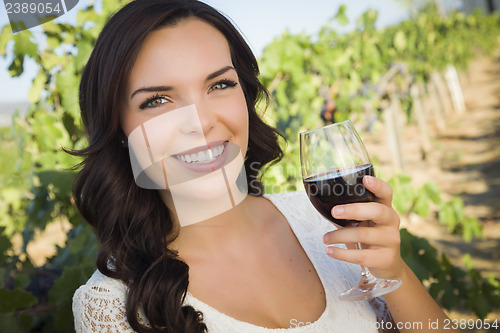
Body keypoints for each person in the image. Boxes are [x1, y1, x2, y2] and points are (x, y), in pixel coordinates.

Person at [71, 1, 458, 332]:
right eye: (157, 100)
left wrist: (396, 275)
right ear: (118, 127)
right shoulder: (109, 308)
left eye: (219, 85)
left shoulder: (324, 221)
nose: (200, 121)